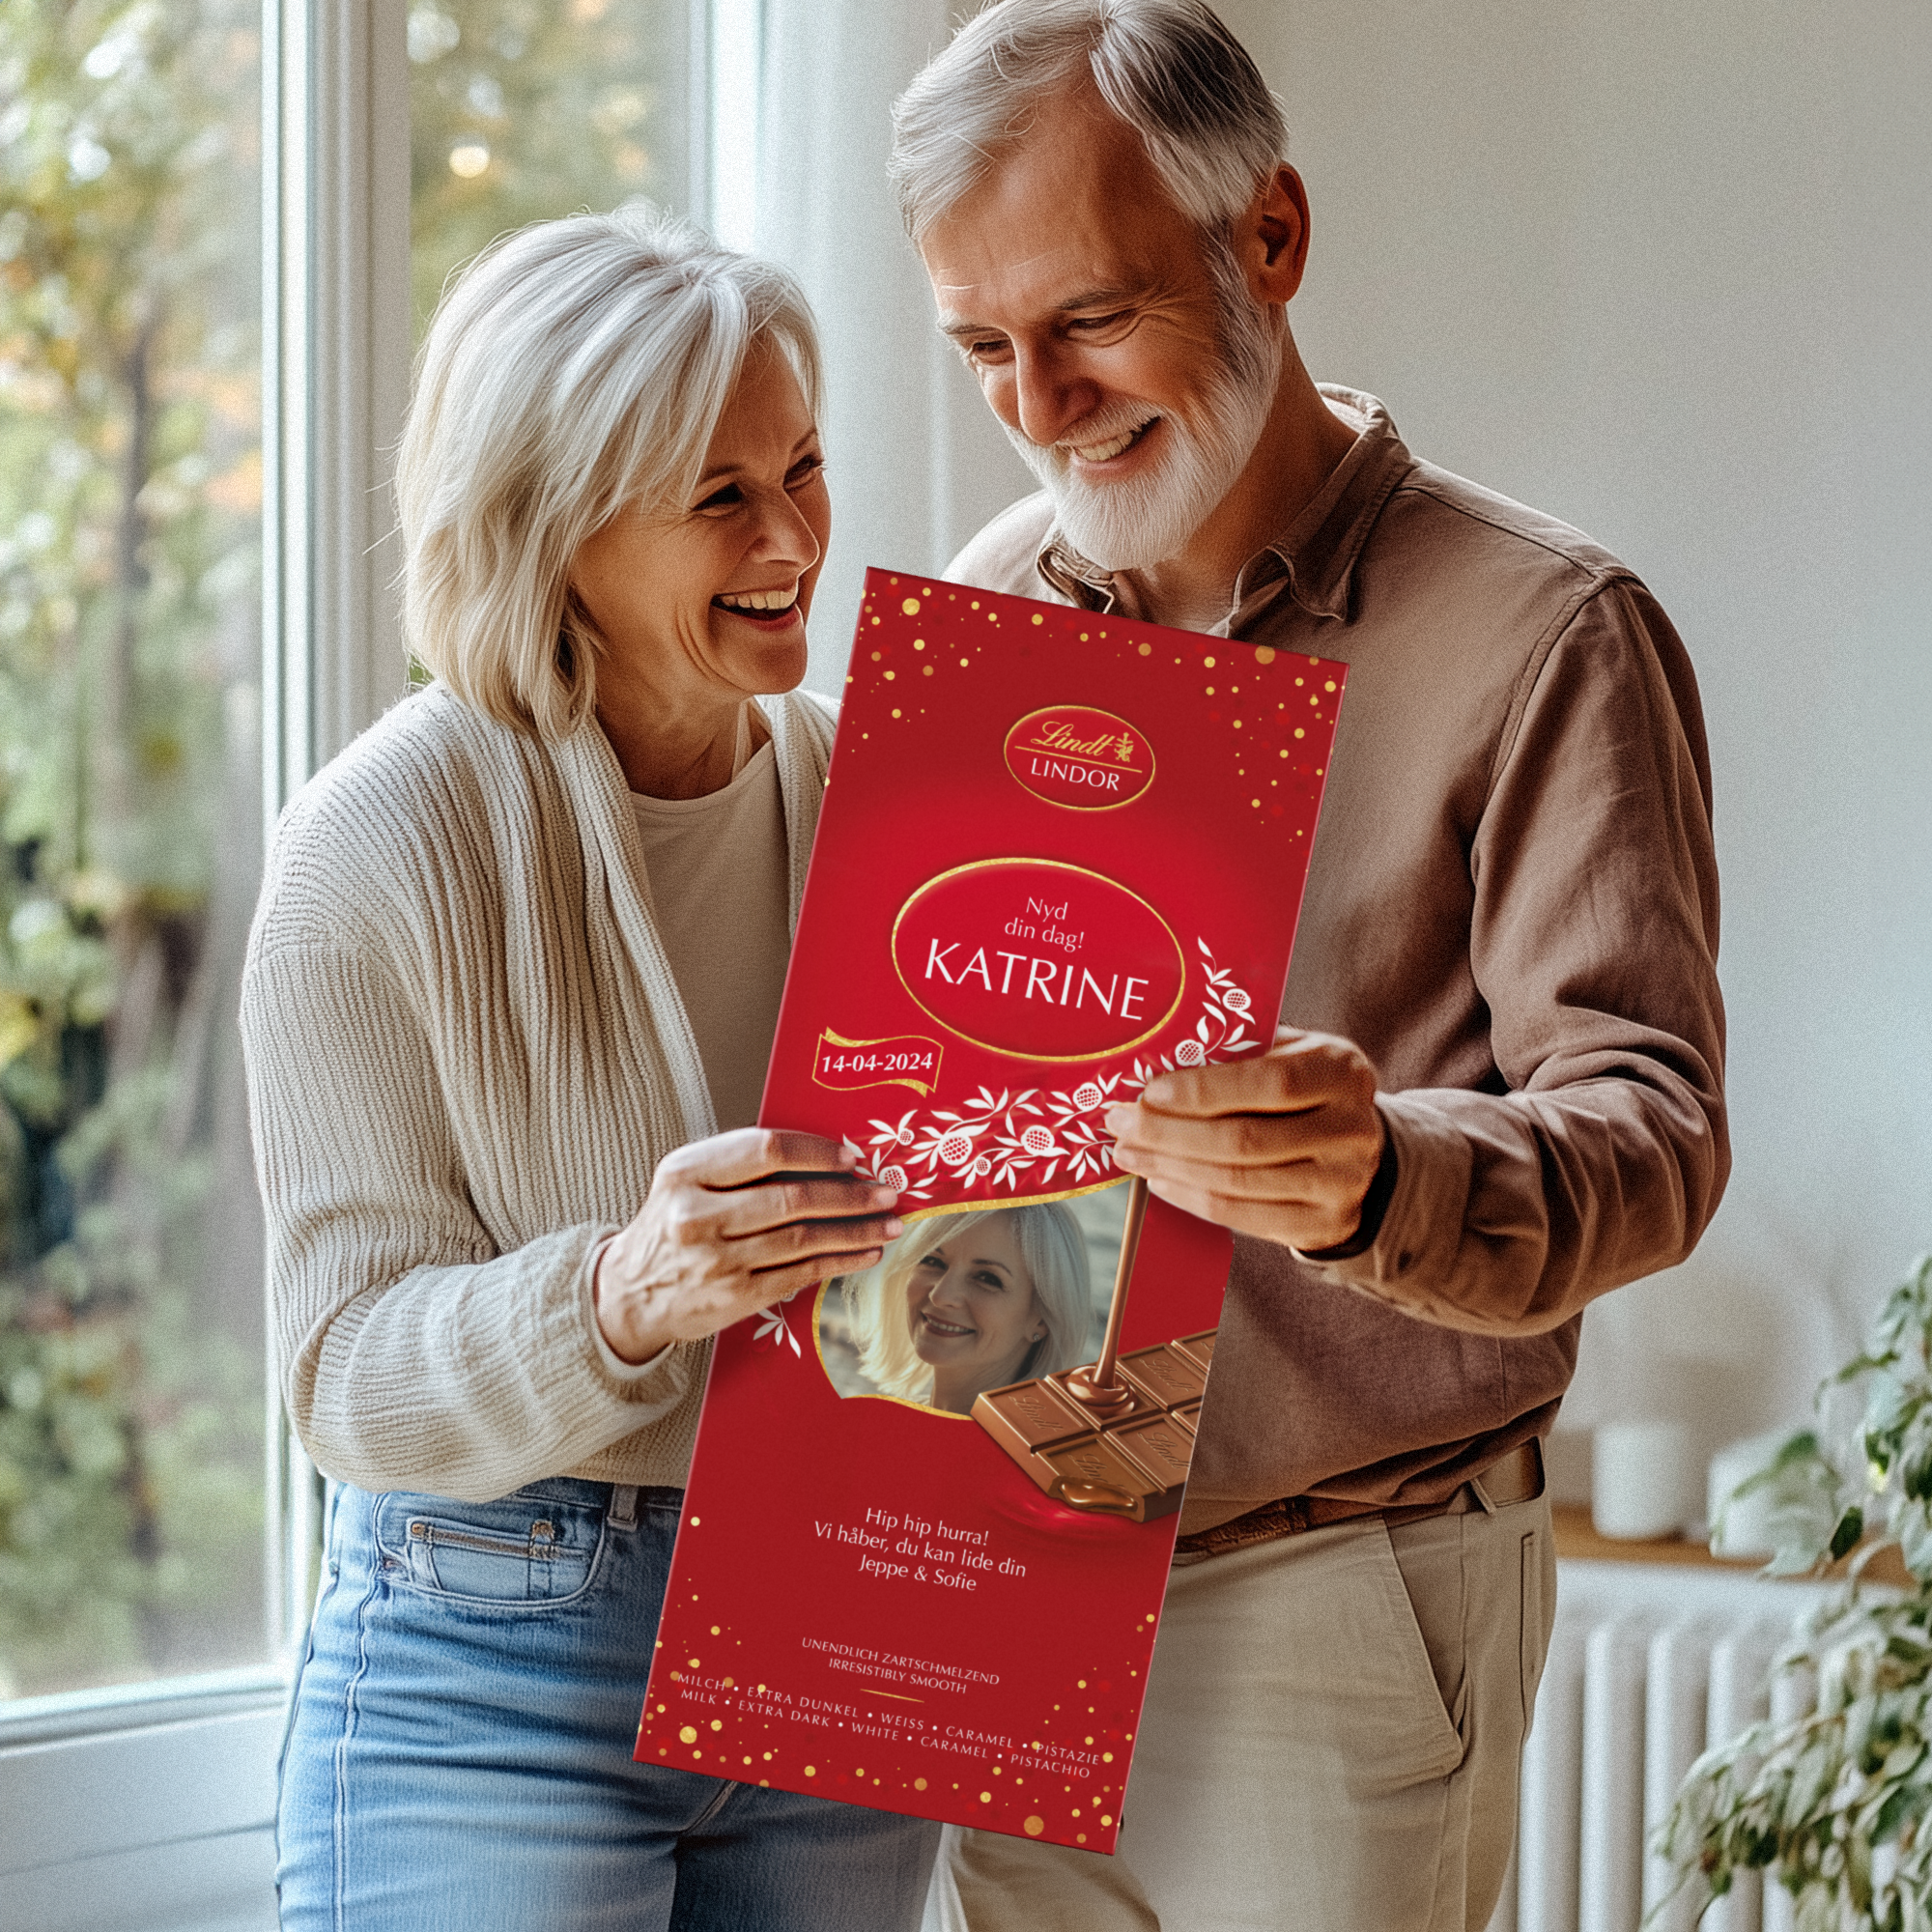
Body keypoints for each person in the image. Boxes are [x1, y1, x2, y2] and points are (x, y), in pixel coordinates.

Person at [889, 4, 1726, 1928]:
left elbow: (1653, 1133)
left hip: (1331, 1593)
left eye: (1088, 319)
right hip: (1004, 1573)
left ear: (1264, 238)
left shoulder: (1544, 632)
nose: (1036, 400)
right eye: (979, 348)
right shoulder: (989, 603)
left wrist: (1379, 1177)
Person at [241, 206, 939, 1930]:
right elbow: (339, 1375)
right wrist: (620, 1293)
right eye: (721, 495)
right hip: (490, 1662)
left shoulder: (899, 813)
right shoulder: (369, 848)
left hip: (837, 1623)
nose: (796, 537)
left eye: (805, 467)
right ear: (555, 533)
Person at [840, 1203, 1092, 1411]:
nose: (941, 1295)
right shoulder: (889, 1425)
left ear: (1041, 1320)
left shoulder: (1016, 1462)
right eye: (933, 1260)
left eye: (987, 1278)